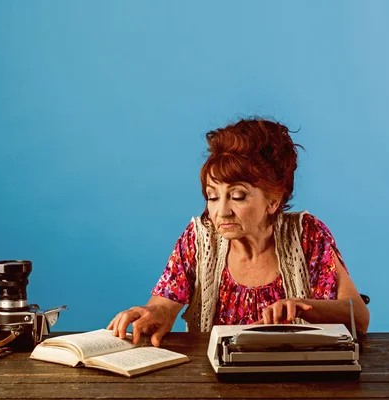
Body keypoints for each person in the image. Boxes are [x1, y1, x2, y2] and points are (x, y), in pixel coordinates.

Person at [108, 118, 370, 346]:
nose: (222, 211)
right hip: (214, 381)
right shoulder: (199, 239)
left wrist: (304, 307)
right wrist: (155, 314)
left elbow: (358, 317)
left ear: (273, 200)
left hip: (296, 378)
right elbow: (163, 304)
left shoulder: (306, 235)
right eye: (212, 197)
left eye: (237, 196)